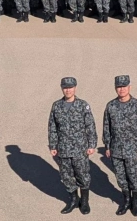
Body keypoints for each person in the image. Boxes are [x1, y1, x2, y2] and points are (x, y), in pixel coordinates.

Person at [48, 77, 97, 215]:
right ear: (62, 88)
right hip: (63, 148)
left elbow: (90, 126)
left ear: (75, 88)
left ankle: (85, 202)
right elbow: (52, 127)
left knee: (83, 175)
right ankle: (74, 200)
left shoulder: (83, 105)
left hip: (80, 148)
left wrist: (92, 144)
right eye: (65, 88)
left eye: (70, 87)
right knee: (67, 176)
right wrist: (53, 145)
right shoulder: (56, 106)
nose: (67, 90)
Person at [103, 75, 137, 217]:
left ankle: (136, 204)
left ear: (129, 87)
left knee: (134, 177)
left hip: (133, 149)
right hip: (116, 149)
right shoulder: (111, 105)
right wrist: (107, 146)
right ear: (115, 88)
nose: (121, 89)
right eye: (119, 87)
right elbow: (106, 127)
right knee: (121, 178)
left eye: (124, 86)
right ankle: (126, 201)